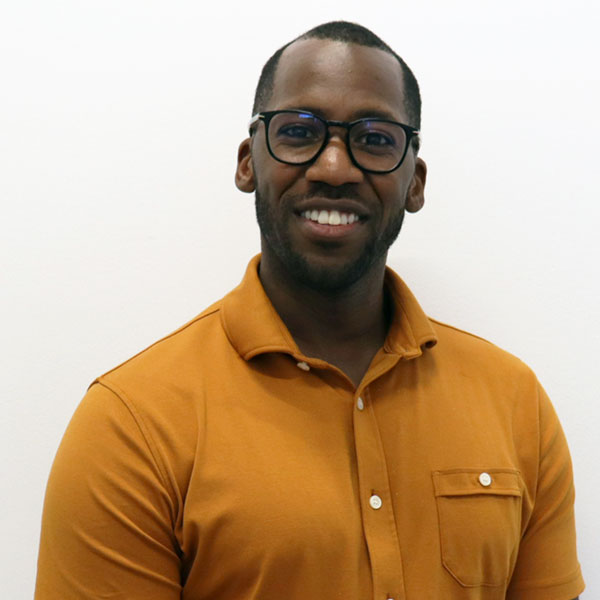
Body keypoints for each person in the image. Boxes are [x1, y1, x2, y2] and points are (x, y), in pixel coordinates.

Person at [35, 21, 584, 600]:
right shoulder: (132, 424)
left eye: (375, 139)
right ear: (248, 163)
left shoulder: (515, 402)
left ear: (415, 182)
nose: (333, 168)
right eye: (299, 132)